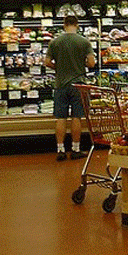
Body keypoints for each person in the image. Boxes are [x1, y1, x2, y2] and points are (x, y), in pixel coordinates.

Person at [44, 14, 96, 161]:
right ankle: (76, 149)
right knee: (76, 117)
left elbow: (47, 62)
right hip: (78, 84)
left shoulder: (55, 42)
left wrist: (59, 68)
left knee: (60, 118)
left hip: (60, 84)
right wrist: (81, 65)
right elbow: (91, 63)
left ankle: (60, 150)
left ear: (64, 25)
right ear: (77, 25)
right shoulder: (84, 41)